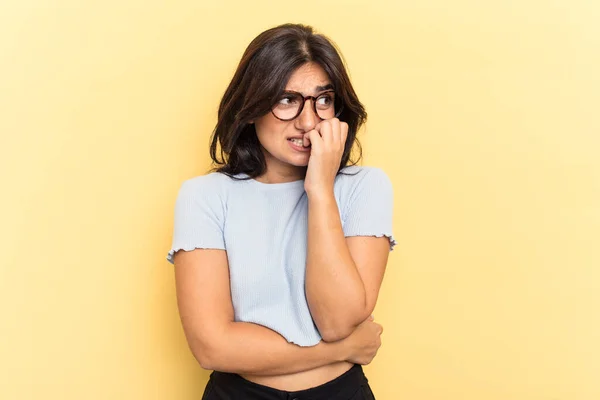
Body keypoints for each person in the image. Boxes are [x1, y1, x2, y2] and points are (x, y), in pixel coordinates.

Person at [167, 23, 395, 400]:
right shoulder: (205, 196)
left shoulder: (364, 187)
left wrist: (320, 189)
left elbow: (337, 320)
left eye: (323, 100)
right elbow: (213, 347)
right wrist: (339, 351)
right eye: (287, 99)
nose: (308, 122)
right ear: (251, 106)